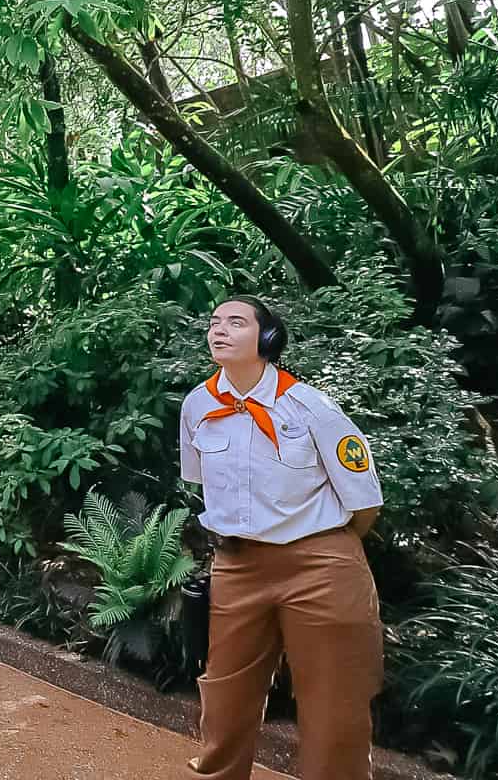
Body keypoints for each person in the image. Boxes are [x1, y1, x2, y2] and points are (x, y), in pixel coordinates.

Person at [180, 297, 384, 780]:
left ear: (268, 339)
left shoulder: (311, 406)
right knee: (224, 696)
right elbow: (200, 482)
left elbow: (365, 501)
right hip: (237, 566)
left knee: (334, 702)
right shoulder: (198, 406)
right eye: (214, 323)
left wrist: (322, 550)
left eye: (236, 322)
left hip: (320, 565)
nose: (220, 331)